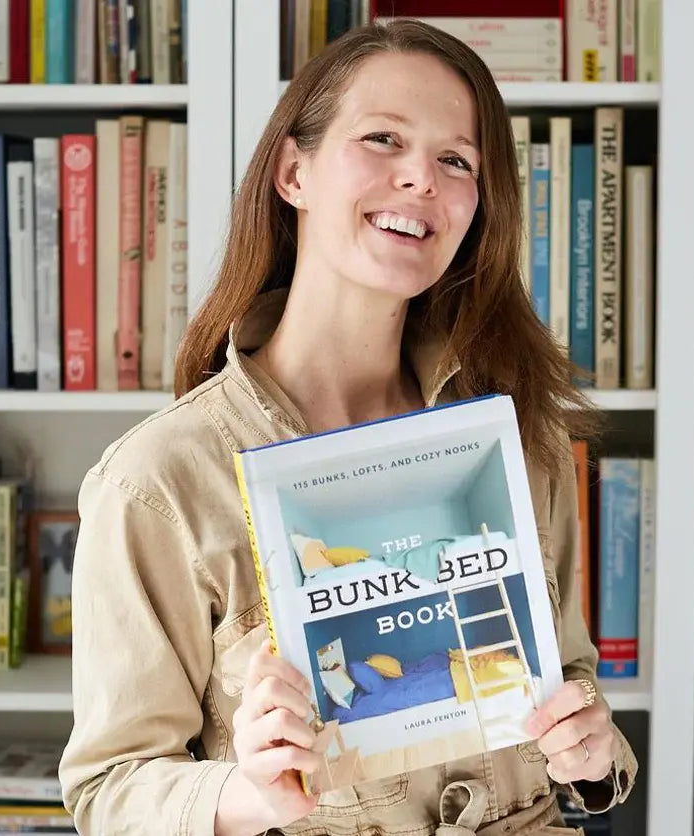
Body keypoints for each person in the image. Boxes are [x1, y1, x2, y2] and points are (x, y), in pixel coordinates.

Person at [58, 18, 637, 836]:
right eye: (383, 139)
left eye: (456, 160)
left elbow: (571, 680)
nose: (420, 180)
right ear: (294, 171)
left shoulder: (516, 442)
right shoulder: (159, 481)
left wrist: (592, 753)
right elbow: (108, 791)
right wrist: (251, 792)